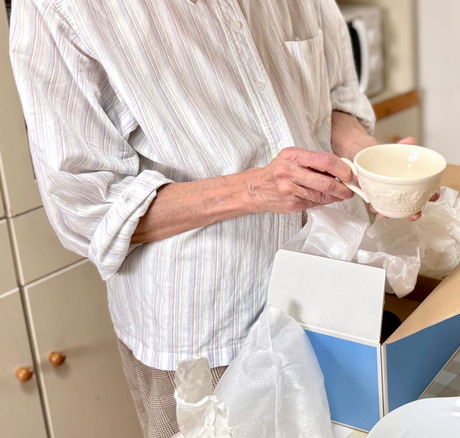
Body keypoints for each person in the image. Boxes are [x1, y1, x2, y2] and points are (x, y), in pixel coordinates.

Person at [9, 1, 416, 436]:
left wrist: (369, 160)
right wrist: (253, 189)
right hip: (209, 338)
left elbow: (331, 97)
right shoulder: (60, 10)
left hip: (328, 295)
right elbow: (86, 211)